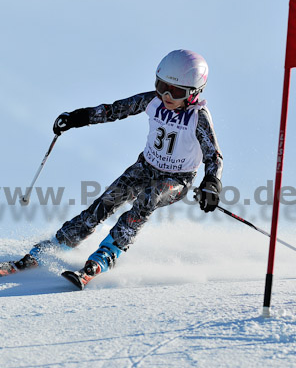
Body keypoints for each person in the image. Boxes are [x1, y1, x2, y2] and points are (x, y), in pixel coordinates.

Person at [16, 49, 223, 287]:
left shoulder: (199, 117)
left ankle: (105, 255)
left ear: (194, 92)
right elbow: (114, 110)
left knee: (149, 198)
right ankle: (57, 245)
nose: (166, 95)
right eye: (161, 85)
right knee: (106, 202)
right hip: (145, 167)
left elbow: (214, 157)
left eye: (175, 91)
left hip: (177, 180)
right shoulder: (152, 101)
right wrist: (77, 118)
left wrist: (211, 184)